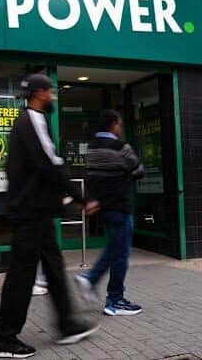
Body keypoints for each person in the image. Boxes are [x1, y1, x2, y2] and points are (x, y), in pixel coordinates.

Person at [0, 74, 100, 359]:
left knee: (53, 267)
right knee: (21, 275)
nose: (53, 96)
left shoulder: (26, 121)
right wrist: (80, 197)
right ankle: (3, 339)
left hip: (37, 210)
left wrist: (63, 197)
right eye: (51, 92)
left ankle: (67, 324)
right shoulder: (32, 120)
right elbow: (51, 164)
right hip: (30, 213)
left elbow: (33, 168)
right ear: (39, 93)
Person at [75, 109, 145, 316]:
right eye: (119, 124)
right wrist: (125, 175)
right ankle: (112, 297)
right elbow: (139, 171)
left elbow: (91, 177)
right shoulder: (121, 147)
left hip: (103, 208)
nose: (120, 127)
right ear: (113, 124)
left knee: (115, 248)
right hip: (120, 206)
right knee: (121, 253)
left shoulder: (92, 148)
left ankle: (98, 286)